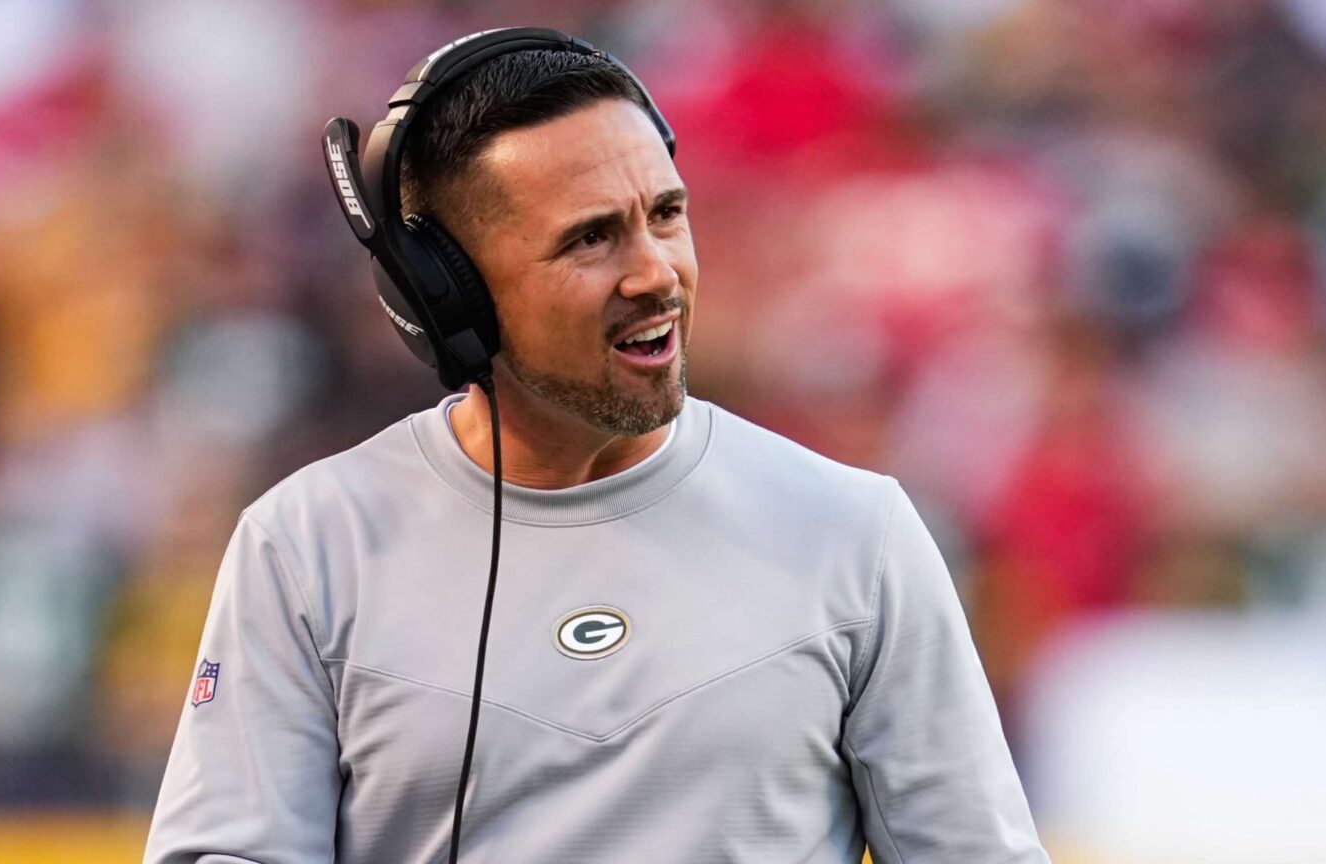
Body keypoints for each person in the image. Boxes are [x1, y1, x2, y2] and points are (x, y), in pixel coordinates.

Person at [144, 30, 1050, 864]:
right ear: (449, 292)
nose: (656, 273)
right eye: (591, 238)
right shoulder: (306, 545)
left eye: (666, 214)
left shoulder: (858, 532)